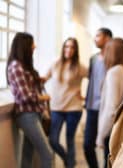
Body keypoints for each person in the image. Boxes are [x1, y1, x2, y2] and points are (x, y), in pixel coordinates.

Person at [6, 32, 53, 168]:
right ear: (24, 45)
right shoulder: (16, 66)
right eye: (32, 44)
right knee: (47, 154)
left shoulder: (23, 66)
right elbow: (25, 96)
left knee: (27, 154)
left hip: (33, 114)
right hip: (27, 116)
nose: (34, 46)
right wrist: (44, 97)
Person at [44, 37, 88, 168]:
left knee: (70, 140)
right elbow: (43, 79)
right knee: (53, 140)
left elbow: (95, 80)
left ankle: (69, 165)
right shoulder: (55, 64)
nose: (69, 49)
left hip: (74, 109)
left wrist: (86, 96)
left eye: (72, 47)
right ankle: (68, 160)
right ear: (63, 48)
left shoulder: (80, 66)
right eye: (66, 46)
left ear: (76, 50)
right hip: (56, 108)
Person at [96, 38, 123, 168]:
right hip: (121, 128)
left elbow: (111, 109)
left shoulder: (114, 72)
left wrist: (101, 135)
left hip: (112, 130)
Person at [84, 27, 112, 168]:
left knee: (108, 147)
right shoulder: (93, 59)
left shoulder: (113, 58)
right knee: (87, 145)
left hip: (107, 109)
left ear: (107, 38)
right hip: (92, 108)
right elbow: (91, 80)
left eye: (98, 36)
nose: (95, 39)